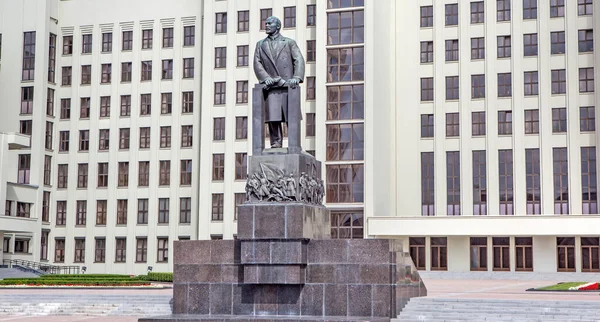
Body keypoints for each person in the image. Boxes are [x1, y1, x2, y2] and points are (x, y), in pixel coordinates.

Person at [253, 16, 305, 148]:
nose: (267, 25)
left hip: (287, 85)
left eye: (270, 23)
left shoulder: (289, 42)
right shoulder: (260, 44)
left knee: (291, 117)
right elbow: (257, 63)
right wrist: (265, 78)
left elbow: (298, 59)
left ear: (278, 26)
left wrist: (297, 77)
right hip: (272, 87)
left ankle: (295, 144)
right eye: (266, 23)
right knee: (273, 116)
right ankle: (276, 142)